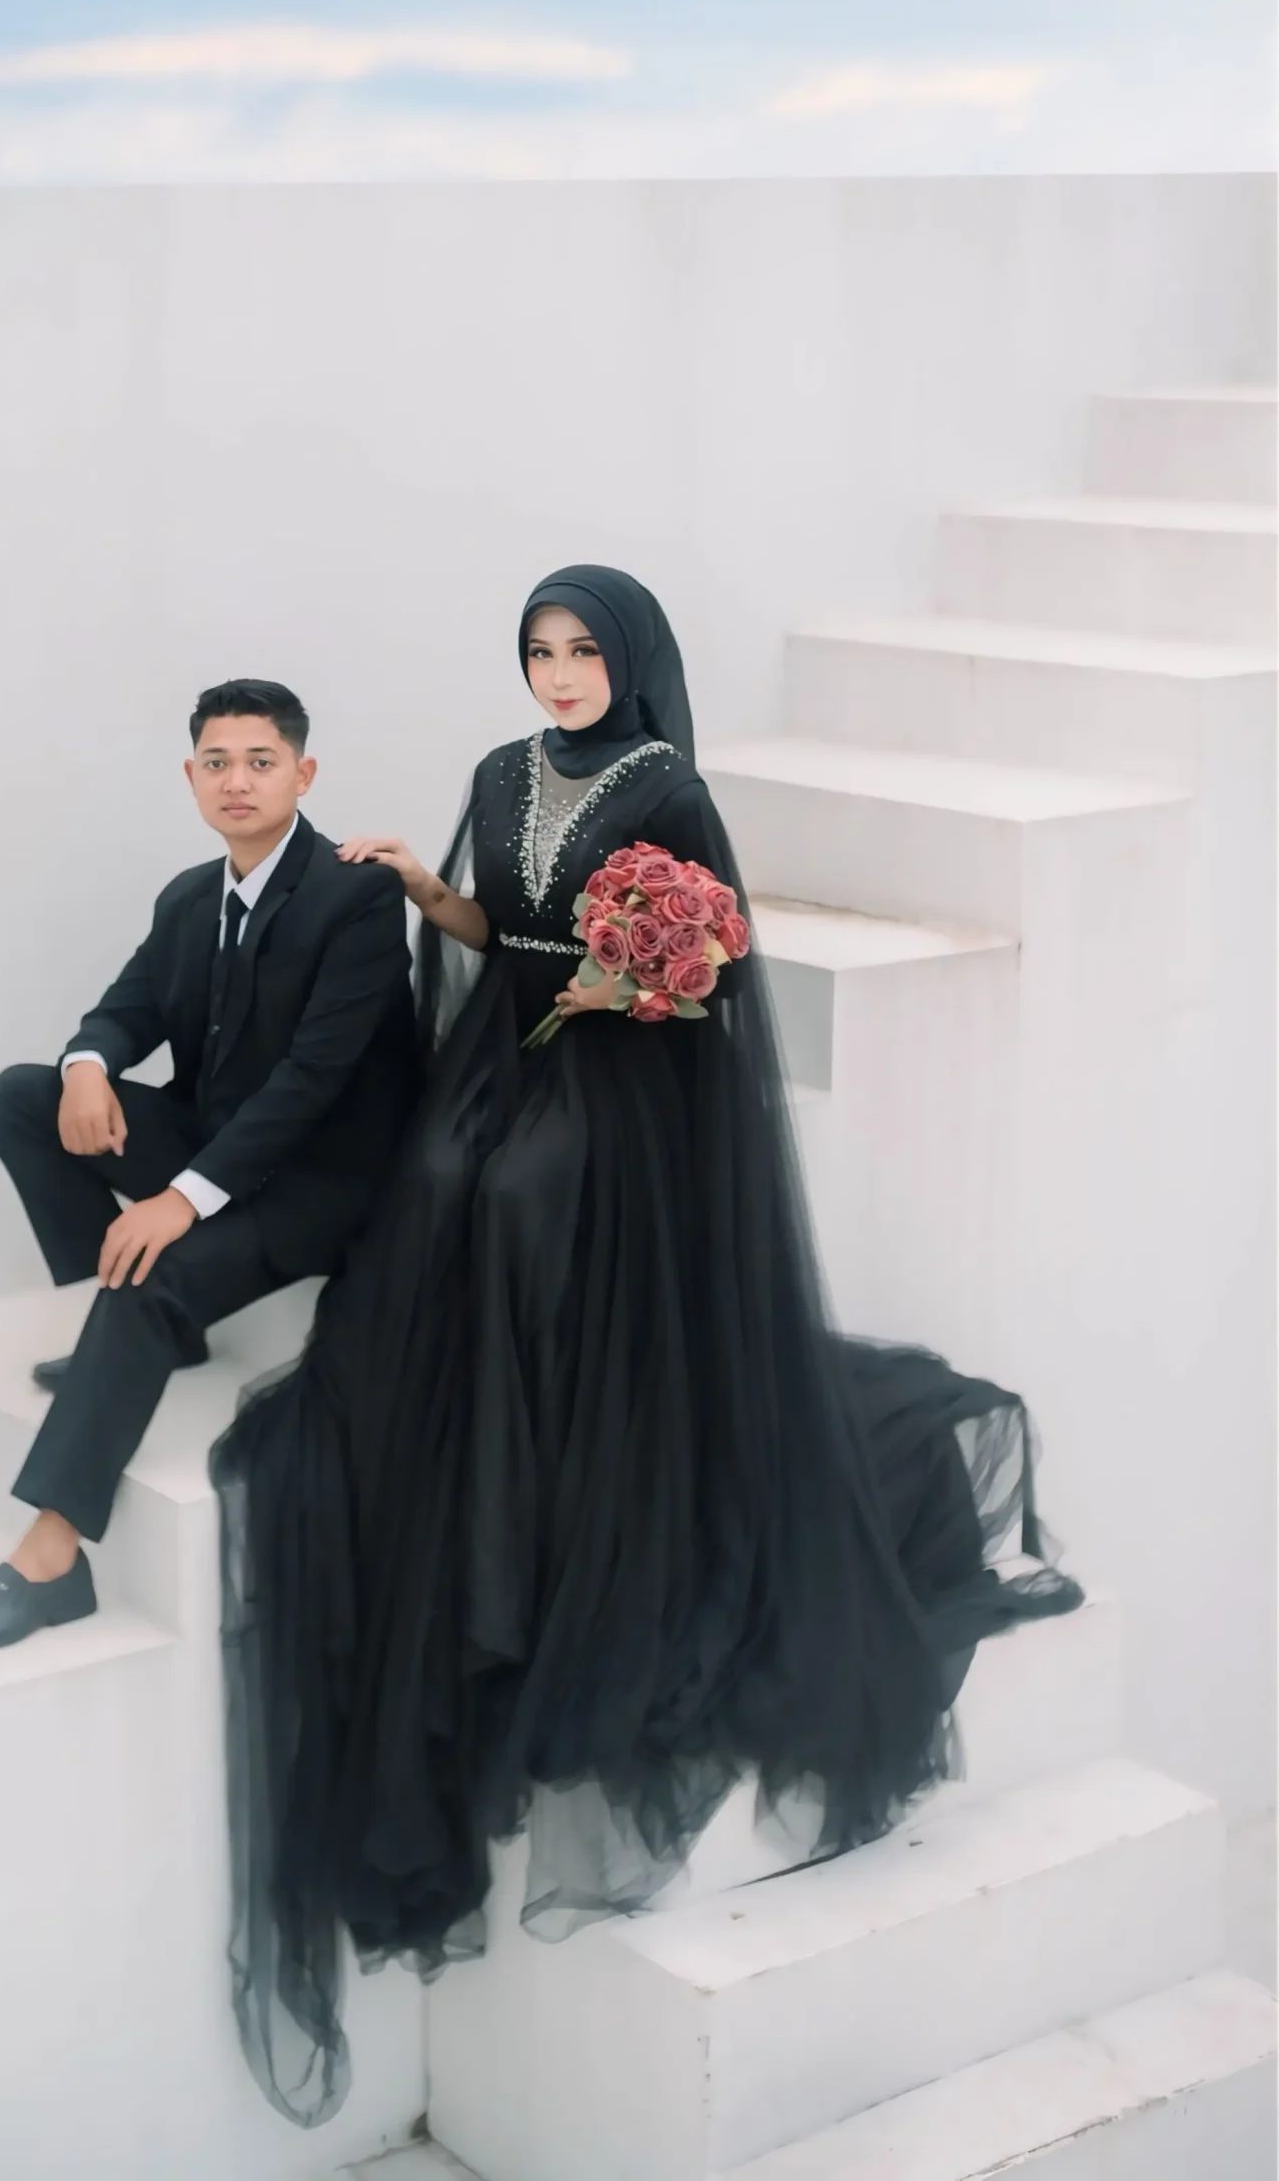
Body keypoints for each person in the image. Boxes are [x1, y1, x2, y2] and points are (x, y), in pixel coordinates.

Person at [210, 566, 1081, 2127]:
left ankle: (565, 1433)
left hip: (627, 1083)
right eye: (538, 651)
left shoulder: (667, 786)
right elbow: (492, 931)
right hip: (514, 1044)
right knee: (438, 1180)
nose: (557, 674)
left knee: (524, 1193)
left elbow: (717, 978)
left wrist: (644, 979)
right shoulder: (499, 774)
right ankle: (480, 1419)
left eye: (581, 651)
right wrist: (419, 888)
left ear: (628, 661)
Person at [0, 679, 419, 1656]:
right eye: (217, 763)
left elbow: (311, 1082)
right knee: (23, 1096)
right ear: (191, 777)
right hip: (219, 1143)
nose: (238, 781)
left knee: (150, 1275)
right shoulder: (190, 897)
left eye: (261, 761)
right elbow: (125, 1009)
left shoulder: (356, 897)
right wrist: (87, 1066)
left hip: (323, 1183)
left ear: (304, 773)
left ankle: (52, 1561)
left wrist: (180, 1201)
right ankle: (142, 1338)